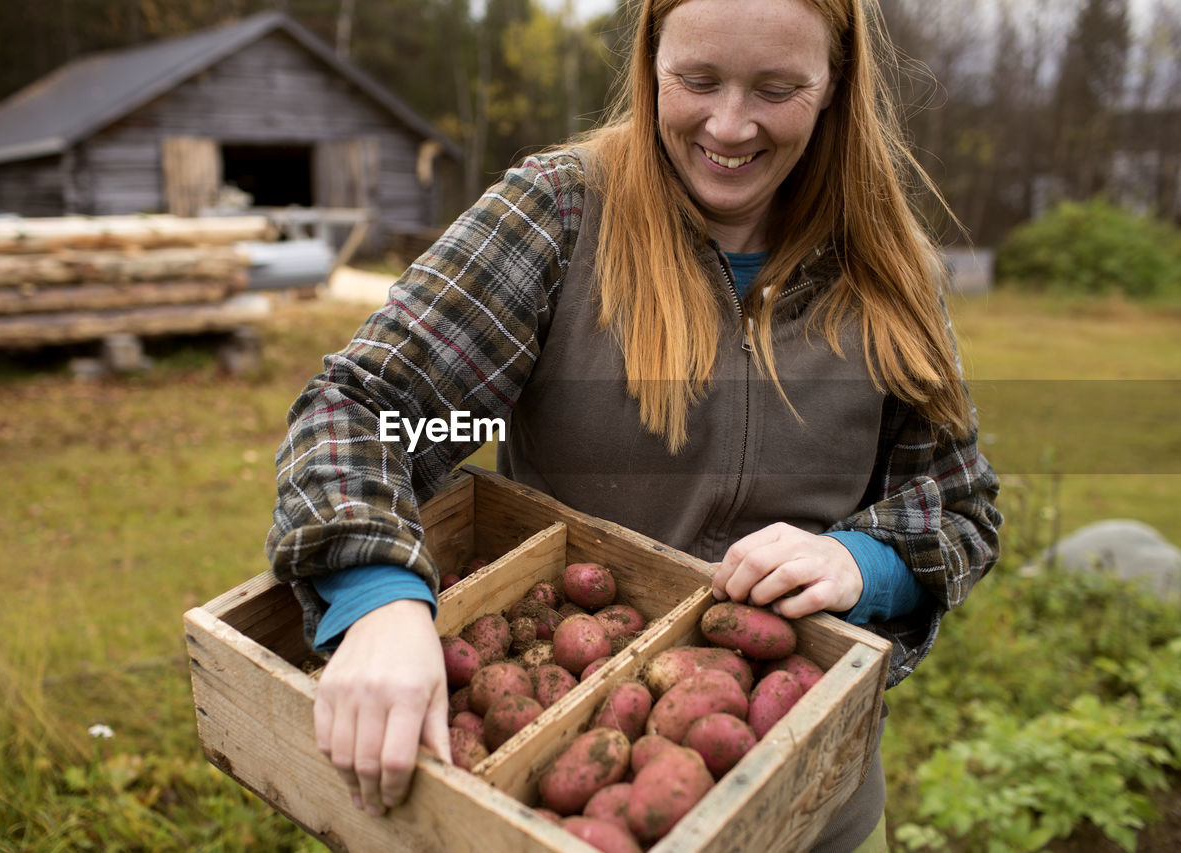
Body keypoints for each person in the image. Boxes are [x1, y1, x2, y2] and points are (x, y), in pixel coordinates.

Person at [266, 0, 1002, 849]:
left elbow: (959, 503)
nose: (730, 125)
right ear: (650, 61)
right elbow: (361, 411)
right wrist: (379, 600)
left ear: (835, 83)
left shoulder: (889, 265)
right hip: (563, 804)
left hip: (814, 796)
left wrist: (862, 560)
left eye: (777, 87)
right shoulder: (559, 215)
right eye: (696, 80)